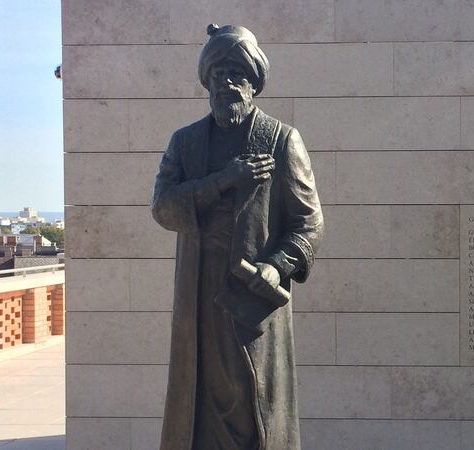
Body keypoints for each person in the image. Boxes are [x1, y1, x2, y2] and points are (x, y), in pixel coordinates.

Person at [151, 24, 323, 450]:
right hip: (200, 300)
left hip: (252, 302)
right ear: (206, 81)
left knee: (254, 409)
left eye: (236, 71)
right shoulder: (185, 142)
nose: (227, 81)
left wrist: (277, 266)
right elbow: (163, 208)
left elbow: (310, 223)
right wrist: (223, 181)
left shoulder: (282, 140)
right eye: (218, 73)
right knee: (199, 407)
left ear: (253, 80)